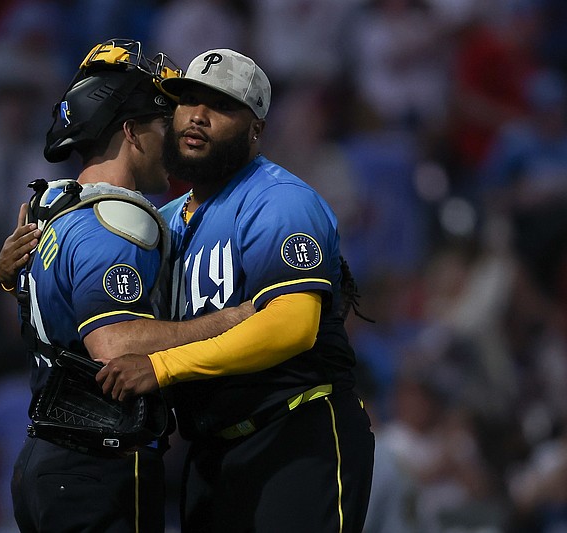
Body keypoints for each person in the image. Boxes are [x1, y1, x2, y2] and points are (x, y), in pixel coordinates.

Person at [97, 48, 375, 532]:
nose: (198, 116)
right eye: (187, 100)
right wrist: (17, 268)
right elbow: (101, 312)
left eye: (222, 106)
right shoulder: (162, 223)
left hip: (294, 434)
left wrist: (161, 366)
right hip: (211, 451)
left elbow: (292, 326)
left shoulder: (279, 200)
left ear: (256, 129)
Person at [0, 39, 253, 533]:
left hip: (47, 464)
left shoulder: (52, 208)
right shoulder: (120, 220)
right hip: (101, 461)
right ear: (132, 132)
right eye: (162, 126)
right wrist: (232, 321)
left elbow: (43, 311)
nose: (174, 140)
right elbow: (112, 345)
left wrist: (6, 279)